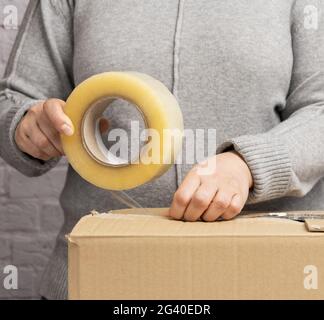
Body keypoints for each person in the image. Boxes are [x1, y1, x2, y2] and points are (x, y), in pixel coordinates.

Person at [1, 0, 324, 300]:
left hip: (268, 277)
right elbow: (14, 100)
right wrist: (26, 125)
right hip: (100, 277)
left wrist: (249, 165)